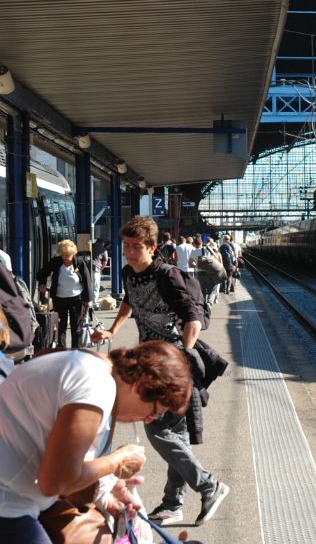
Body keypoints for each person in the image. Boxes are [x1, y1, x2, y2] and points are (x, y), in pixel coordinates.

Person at [92, 215, 229, 526]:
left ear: (152, 247)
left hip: (173, 369)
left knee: (158, 429)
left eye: (136, 247)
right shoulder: (129, 273)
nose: (128, 252)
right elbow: (129, 302)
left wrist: (180, 357)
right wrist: (113, 330)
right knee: (175, 435)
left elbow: (192, 319)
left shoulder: (166, 275)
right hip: (151, 363)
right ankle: (172, 504)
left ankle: (210, 485)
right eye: (125, 246)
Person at [0, 341, 192, 543]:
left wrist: (105, 491)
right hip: (8, 503)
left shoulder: (92, 367)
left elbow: (58, 461)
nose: (147, 419)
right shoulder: (96, 384)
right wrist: (115, 461)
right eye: (154, 411)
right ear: (142, 385)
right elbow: (56, 481)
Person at [36, 239, 93, 349]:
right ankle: (62, 350)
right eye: (62, 255)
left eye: (67, 255)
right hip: (59, 298)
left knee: (76, 326)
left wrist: (89, 300)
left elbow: (87, 281)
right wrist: (42, 284)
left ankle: (75, 350)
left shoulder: (80, 263)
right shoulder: (56, 262)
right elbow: (42, 273)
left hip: (77, 298)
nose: (65, 258)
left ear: (73, 253)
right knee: (61, 326)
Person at [92, 239, 110, 304]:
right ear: (103, 243)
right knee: (96, 287)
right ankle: (94, 303)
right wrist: (101, 268)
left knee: (88, 286)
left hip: (87, 268)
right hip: (96, 269)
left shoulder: (91, 245)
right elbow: (105, 261)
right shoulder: (103, 249)